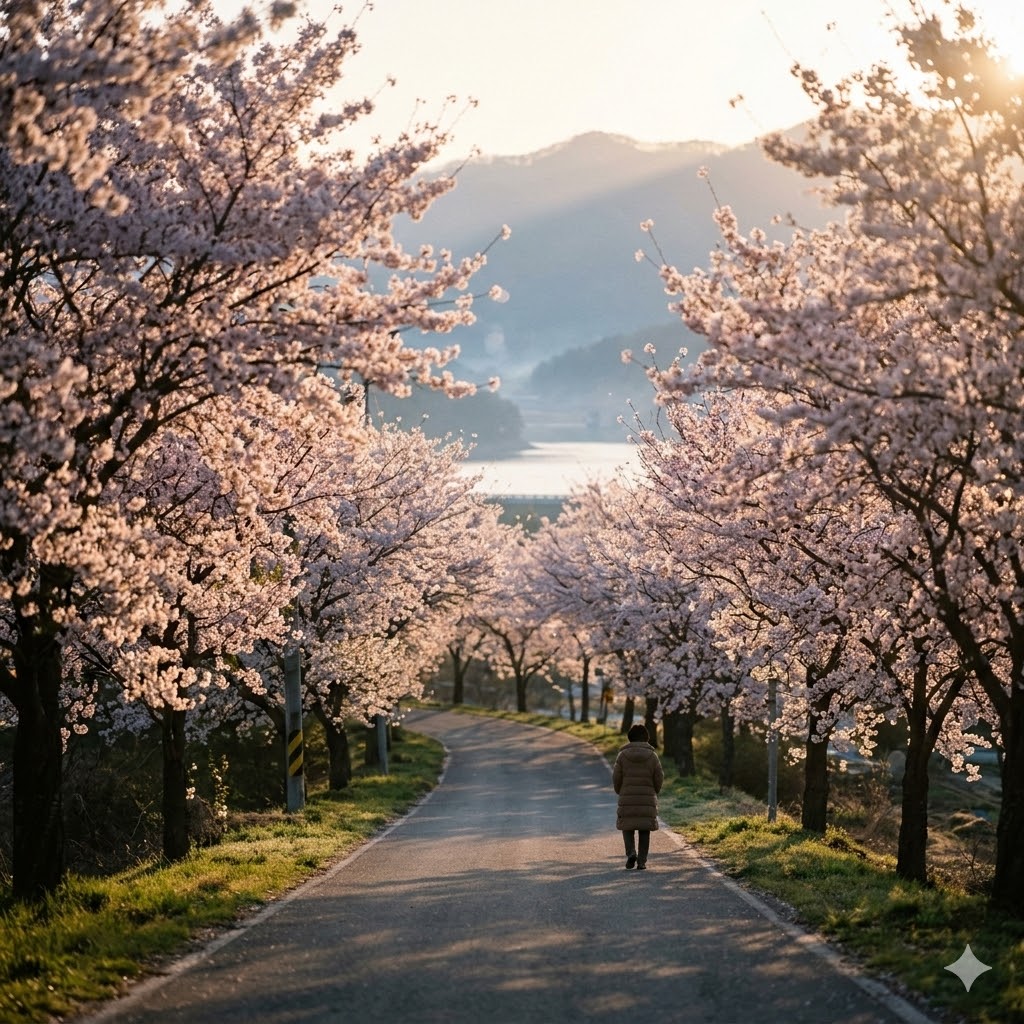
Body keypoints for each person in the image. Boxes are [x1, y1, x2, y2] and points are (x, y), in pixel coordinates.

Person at [612, 723, 664, 870]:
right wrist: (655, 791)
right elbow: (659, 776)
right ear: (646, 738)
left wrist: (619, 790)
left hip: (627, 796)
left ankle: (631, 853)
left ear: (630, 738)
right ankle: (642, 862)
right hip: (647, 798)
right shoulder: (652, 756)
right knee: (644, 829)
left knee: (627, 826)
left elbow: (616, 777)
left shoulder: (622, 756)